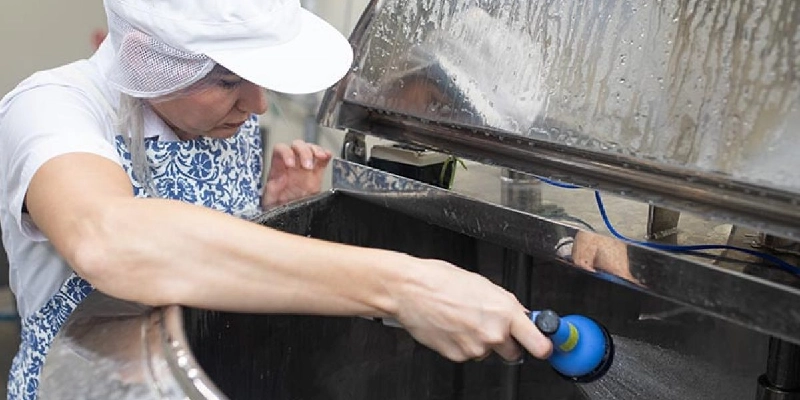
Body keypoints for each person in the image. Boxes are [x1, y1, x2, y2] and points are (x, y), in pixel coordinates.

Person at [0, 1, 555, 398]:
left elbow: (206, 257)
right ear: (148, 56)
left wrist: (270, 215)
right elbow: (109, 240)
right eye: (228, 81)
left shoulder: (220, 118)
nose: (259, 104)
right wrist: (405, 286)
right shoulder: (50, 108)